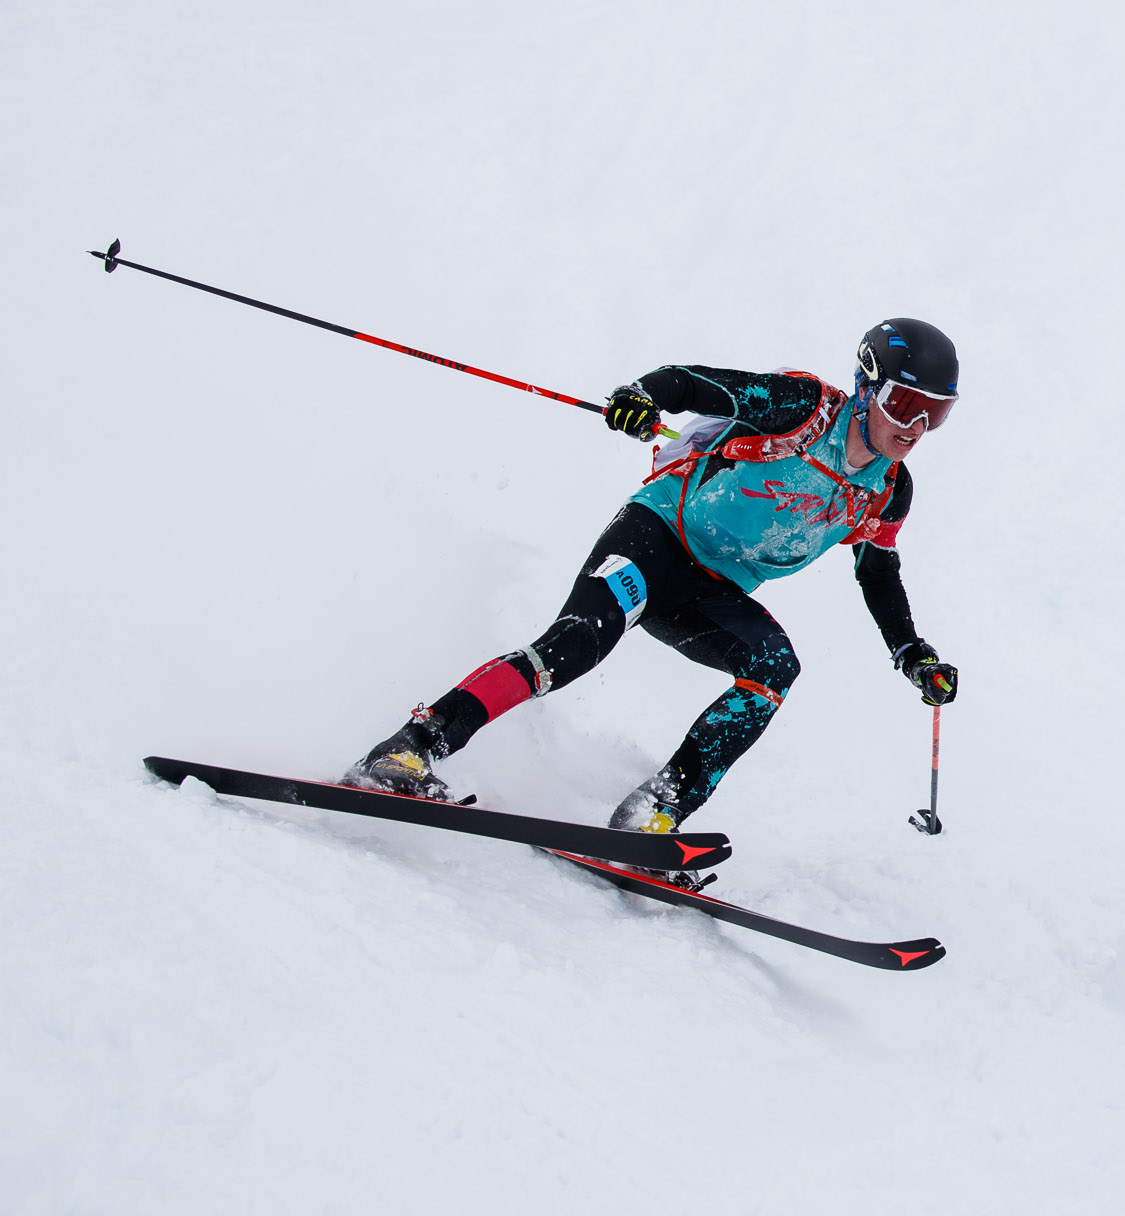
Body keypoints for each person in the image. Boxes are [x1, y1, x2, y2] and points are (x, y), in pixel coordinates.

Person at [342, 318, 962, 842]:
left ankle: (652, 815)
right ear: (867, 388)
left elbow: (878, 575)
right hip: (656, 538)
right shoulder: (803, 408)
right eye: (904, 405)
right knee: (577, 643)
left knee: (775, 667)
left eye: (935, 415)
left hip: (710, 591)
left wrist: (911, 654)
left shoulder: (887, 491)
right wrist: (639, 395)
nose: (915, 427)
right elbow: (695, 384)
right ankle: (410, 749)